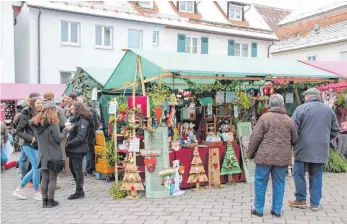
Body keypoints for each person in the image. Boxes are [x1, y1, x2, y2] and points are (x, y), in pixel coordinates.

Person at [247, 94, 298, 217]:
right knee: (279, 183)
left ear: (270, 104)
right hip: (281, 158)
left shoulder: (264, 118)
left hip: (264, 157)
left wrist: (250, 154)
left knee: (260, 182)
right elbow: (295, 139)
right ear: (282, 104)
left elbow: (255, 138)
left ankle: (258, 210)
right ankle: (277, 210)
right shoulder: (289, 120)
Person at [289, 88, 340, 211]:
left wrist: (294, 142)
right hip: (321, 147)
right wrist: (326, 139)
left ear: (307, 97)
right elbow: (335, 130)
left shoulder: (300, 109)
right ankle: (315, 203)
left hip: (302, 147)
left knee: (299, 173)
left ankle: (301, 200)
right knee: (316, 175)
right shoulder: (329, 111)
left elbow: (293, 129)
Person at [32, 102, 68, 208]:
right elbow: (58, 138)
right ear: (53, 111)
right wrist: (66, 130)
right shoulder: (53, 124)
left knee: (44, 178)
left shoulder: (37, 124)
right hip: (53, 156)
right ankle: (51, 201)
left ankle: (44, 201)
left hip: (42, 155)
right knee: (52, 179)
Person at [12, 97, 42, 200]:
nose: (40, 104)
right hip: (29, 145)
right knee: (37, 167)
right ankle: (37, 192)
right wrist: (31, 138)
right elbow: (18, 131)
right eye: (38, 103)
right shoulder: (25, 115)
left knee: (36, 168)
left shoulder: (40, 113)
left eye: (40, 103)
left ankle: (18, 189)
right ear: (32, 104)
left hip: (38, 145)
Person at [65, 101, 92, 200]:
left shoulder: (83, 121)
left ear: (77, 109)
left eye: (72, 108)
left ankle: (79, 191)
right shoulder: (76, 119)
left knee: (77, 170)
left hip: (78, 149)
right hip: (74, 149)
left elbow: (81, 137)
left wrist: (69, 144)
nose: (70, 110)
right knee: (73, 169)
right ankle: (79, 190)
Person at [77, 95, 98, 177]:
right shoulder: (86, 110)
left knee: (88, 152)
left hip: (88, 135)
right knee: (88, 152)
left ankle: (88, 170)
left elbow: (92, 124)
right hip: (88, 134)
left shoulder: (87, 111)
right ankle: (87, 170)